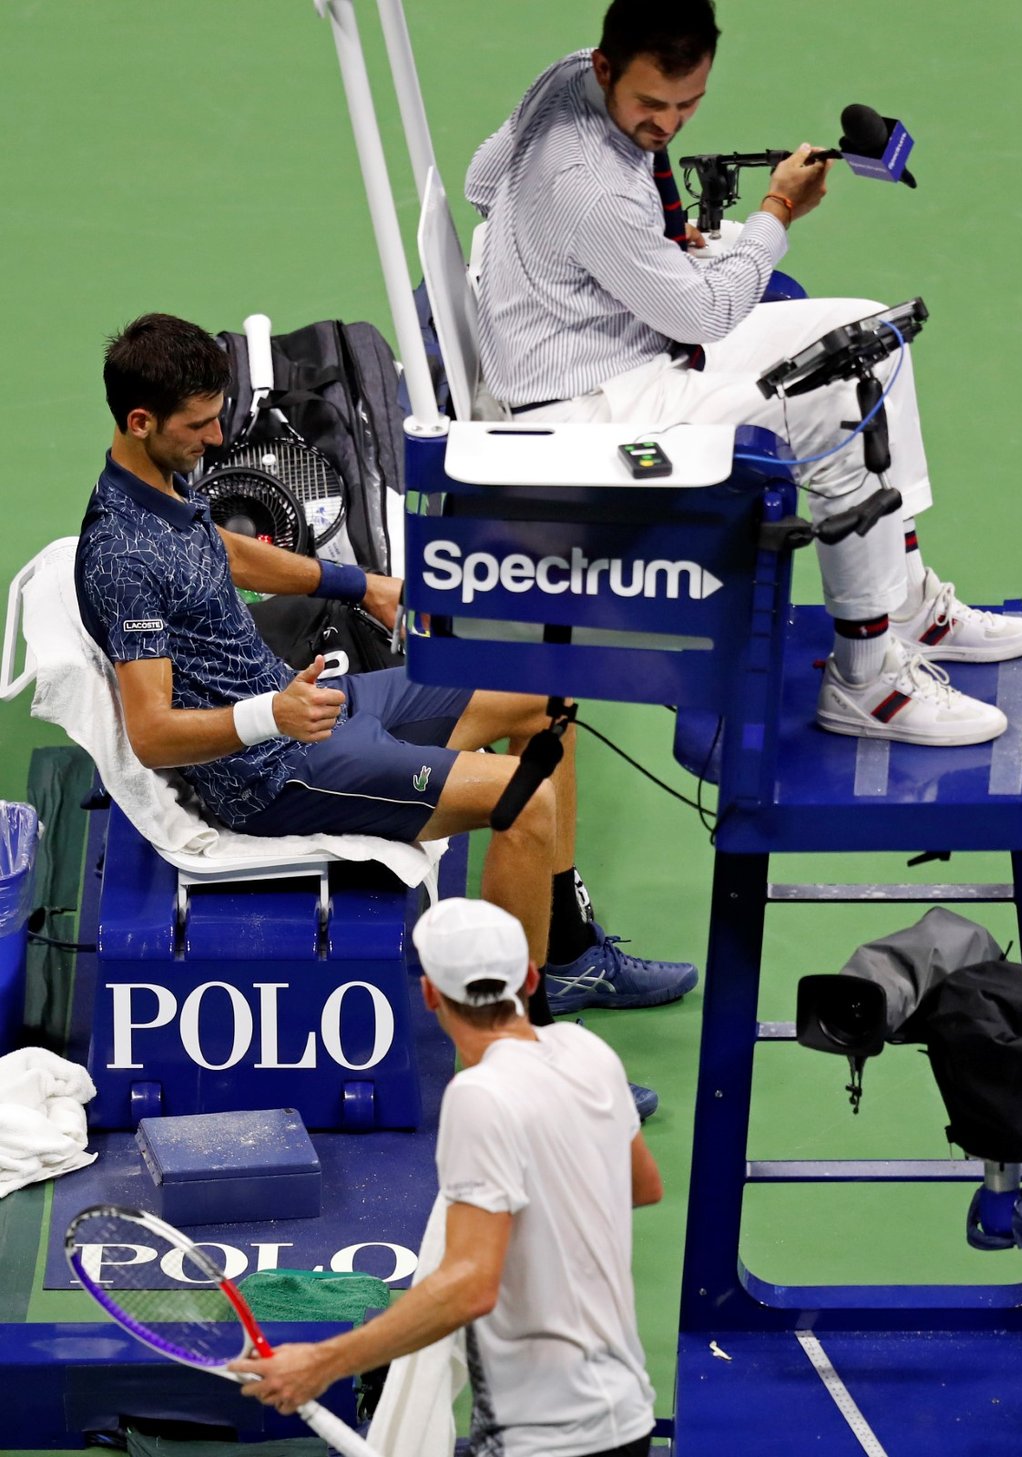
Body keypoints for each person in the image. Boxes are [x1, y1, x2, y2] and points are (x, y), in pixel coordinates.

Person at [72, 313, 696, 1084]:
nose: (213, 439)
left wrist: (358, 582)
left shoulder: (166, 483)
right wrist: (273, 715)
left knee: (547, 696)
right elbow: (153, 733)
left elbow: (221, 552)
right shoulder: (121, 554)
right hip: (274, 772)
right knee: (522, 800)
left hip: (314, 705)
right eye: (199, 425)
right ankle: (519, 1059)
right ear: (141, 421)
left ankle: (566, 951)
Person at [466, 0, 1022, 749]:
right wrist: (775, 212)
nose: (668, 125)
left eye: (687, 103)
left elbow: (484, 180)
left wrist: (622, 259)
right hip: (588, 422)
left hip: (607, 352)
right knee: (834, 398)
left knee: (869, 335)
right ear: (607, 68)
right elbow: (705, 315)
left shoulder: (565, 78)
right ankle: (866, 681)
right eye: (649, 104)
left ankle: (909, 606)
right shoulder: (589, 185)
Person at [232, 896, 661, 1457]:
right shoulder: (588, 1052)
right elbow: (641, 1184)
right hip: (627, 1415)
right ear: (531, 978)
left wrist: (321, 1362)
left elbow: (469, 1285)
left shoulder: (479, 1096)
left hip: (540, 1440)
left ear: (431, 993)